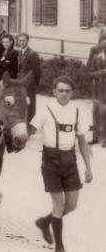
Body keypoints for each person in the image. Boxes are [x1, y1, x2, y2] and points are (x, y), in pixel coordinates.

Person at [30, 76, 93, 252]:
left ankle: (44, 222)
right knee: (58, 204)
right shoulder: (45, 110)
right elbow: (30, 130)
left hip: (70, 161)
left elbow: (82, 141)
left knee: (71, 205)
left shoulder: (77, 111)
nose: (64, 94)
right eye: (61, 90)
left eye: (67, 91)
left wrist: (88, 167)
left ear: (72, 93)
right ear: (54, 92)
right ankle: (59, 245)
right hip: (50, 161)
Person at [17, 32, 41, 121]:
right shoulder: (19, 52)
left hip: (29, 84)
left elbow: (37, 72)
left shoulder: (32, 54)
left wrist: (34, 84)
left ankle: (31, 125)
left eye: (24, 40)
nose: (22, 42)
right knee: (22, 104)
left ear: (27, 41)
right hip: (21, 83)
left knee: (30, 105)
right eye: (20, 41)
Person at [88, 39, 106, 146]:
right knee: (95, 113)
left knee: (104, 114)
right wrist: (102, 72)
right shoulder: (96, 58)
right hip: (97, 90)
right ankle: (95, 138)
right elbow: (90, 73)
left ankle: (103, 139)